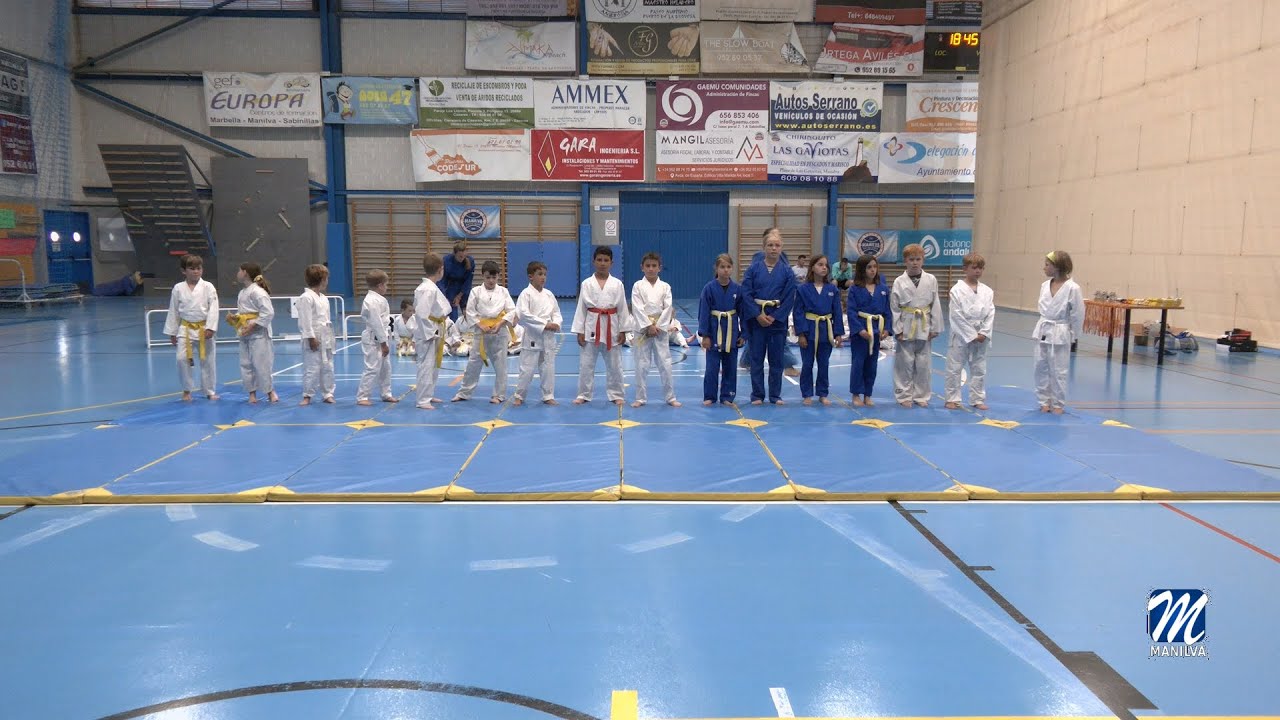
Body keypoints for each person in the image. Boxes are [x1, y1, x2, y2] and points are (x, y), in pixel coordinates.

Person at [741, 228, 797, 404]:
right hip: (757, 320)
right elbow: (746, 293)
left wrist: (776, 316)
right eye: (770, 245)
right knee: (756, 359)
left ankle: (775, 395)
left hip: (777, 322)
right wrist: (757, 314)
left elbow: (789, 297)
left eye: (777, 245)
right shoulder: (753, 269)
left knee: (776, 360)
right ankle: (757, 395)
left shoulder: (787, 272)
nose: (774, 248)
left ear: (781, 248)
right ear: (764, 247)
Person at [572, 246, 630, 405]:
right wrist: (579, 331)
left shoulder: (617, 284)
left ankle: (616, 394)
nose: (602, 263)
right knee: (586, 363)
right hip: (591, 324)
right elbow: (581, 308)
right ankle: (584, 394)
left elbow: (622, 307)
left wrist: (624, 330)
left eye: (606, 260)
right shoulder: (587, 283)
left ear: (611, 263)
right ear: (594, 262)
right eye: (599, 260)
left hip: (612, 326)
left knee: (615, 364)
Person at [453, 260, 516, 404]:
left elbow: (512, 311)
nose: (491, 280)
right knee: (473, 364)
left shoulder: (503, 291)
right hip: (481, 333)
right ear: (482, 276)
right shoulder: (476, 291)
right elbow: (470, 311)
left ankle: (498, 395)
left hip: (499, 332)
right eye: (488, 277)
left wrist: (500, 323)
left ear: (498, 276)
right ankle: (464, 393)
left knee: (501, 366)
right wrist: (480, 325)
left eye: (494, 277)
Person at [890, 244, 943, 408]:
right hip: (906, 323)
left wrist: (935, 327)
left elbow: (935, 304)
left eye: (918, 259)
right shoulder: (899, 281)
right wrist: (897, 329)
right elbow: (894, 307)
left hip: (924, 324)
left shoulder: (931, 279)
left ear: (923, 260)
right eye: (911, 259)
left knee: (923, 363)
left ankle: (921, 396)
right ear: (905, 261)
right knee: (904, 363)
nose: (914, 263)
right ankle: (903, 395)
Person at [162, 254, 219, 402]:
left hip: (204, 327)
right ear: (183, 271)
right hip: (185, 328)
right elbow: (173, 310)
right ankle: (187, 390)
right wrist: (172, 332)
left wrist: (211, 328)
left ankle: (209, 391)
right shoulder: (178, 288)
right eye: (192, 268)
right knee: (181, 359)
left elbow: (214, 309)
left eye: (199, 268)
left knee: (208, 361)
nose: (196, 271)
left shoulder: (208, 287)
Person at [1034, 250, 1084, 414]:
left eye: (1047, 265)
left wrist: (1074, 335)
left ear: (1057, 267)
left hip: (1061, 331)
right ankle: (1044, 401)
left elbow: (1078, 314)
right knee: (1040, 366)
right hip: (1043, 328)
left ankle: (1058, 404)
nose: (1044, 268)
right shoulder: (1044, 286)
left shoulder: (1073, 288)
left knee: (1059, 370)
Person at [944, 253, 995, 411]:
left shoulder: (987, 291)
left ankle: (977, 399)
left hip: (981, 334)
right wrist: (971, 334)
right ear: (965, 269)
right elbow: (956, 315)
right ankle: (952, 398)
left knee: (979, 368)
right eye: (974, 268)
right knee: (955, 368)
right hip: (961, 335)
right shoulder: (957, 290)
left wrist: (984, 332)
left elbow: (991, 312)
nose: (978, 271)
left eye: (980, 268)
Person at [630, 252, 680, 408]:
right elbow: (637, 308)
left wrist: (658, 326)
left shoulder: (665, 287)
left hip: (660, 329)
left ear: (660, 268)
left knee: (665, 364)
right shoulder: (637, 286)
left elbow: (668, 308)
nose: (651, 269)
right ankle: (640, 398)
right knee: (641, 364)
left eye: (654, 266)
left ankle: (670, 397)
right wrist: (648, 326)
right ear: (642, 268)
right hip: (643, 329)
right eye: (648, 266)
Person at [793, 254, 844, 405]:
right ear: (812, 268)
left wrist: (838, 333)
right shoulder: (803, 289)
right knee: (807, 363)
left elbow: (837, 312)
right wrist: (801, 334)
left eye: (826, 265)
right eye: (820, 264)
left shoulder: (832, 289)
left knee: (824, 363)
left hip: (826, 330)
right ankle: (807, 394)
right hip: (809, 329)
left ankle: (822, 393)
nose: (824, 268)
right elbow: (798, 312)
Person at [512, 261, 562, 406]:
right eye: (540, 274)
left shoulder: (549, 294)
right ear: (530, 276)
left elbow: (556, 312)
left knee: (548, 368)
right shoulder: (525, 294)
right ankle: (519, 395)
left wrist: (556, 323)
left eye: (545, 274)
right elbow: (524, 314)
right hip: (532, 336)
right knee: (527, 369)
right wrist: (545, 324)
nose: (543, 277)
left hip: (548, 337)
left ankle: (548, 395)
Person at [226, 262, 276, 404]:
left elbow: (268, 313)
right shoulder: (242, 292)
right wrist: (236, 317)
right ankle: (252, 394)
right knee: (246, 364)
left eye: (239, 270)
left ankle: (270, 392)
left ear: (245, 273)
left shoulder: (258, 292)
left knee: (262, 364)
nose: (237, 273)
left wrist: (253, 325)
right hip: (244, 332)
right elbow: (245, 312)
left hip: (259, 334)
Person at [699, 253, 745, 406]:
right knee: (712, 367)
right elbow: (703, 312)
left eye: (728, 267)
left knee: (730, 366)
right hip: (714, 331)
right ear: (716, 268)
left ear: (732, 268)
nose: (725, 270)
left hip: (731, 332)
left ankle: (727, 396)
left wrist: (743, 334)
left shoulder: (737, 289)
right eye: (722, 267)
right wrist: (705, 335)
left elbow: (743, 313)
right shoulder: (709, 288)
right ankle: (710, 396)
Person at [846, 255, 892, 407]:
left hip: (876, 331)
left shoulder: (883, 289)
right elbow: (851, 311)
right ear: (862, 269)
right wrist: (859, 330)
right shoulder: (855, 289)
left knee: (872, 365)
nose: (873, 270)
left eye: (875, 267)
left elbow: (887, 311)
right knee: (858, 363)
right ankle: (856, 394)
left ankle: (868, 394)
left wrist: (886, 329)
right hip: (861, 332)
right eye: (869, 267)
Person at [413, 253, 452, 410]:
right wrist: (430, 333)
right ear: (440, 269)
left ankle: (428, 394)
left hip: (435, 329)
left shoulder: (430, 287)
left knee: (433, 366)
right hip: (428, 333)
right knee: (426, 366)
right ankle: (422, 400)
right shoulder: (427, 289)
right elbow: (422, 314)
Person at [356, 269, 396, 406]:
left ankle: (386, 393)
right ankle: (362, 396)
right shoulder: (371, 301)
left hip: (382, 336)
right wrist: (383, 343)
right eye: (386, 284)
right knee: (372, 368)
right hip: (373, 339)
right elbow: (376, 323)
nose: (387, 287)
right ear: (380, 285)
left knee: (386, 368)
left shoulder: (379, 299)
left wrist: (385, 341)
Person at [297, 264, 335, 406]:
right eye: (326, 278)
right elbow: (305, 321)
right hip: (312, 336)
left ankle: (328, 393)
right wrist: (311, 338)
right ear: (321, 279)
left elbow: (327, 318)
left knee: (328, 366)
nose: (327, 281)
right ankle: (307, 395)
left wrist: (330, 337)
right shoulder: (306, 297)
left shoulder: (323, 298)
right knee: (312, 367)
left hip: (325, 335)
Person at [442, 241, 475, 322]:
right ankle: (453, 326)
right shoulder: (446, 260)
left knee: (467, 309)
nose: (462, 258)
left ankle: (469, 327)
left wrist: (459, 296)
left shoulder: (470, 261)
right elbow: (443, 279)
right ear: (454, 254)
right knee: (452, 309)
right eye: (460, 256)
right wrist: (443, 295)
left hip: (464, 285)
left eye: (464, 256)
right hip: (451, 285)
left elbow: (468, 281)